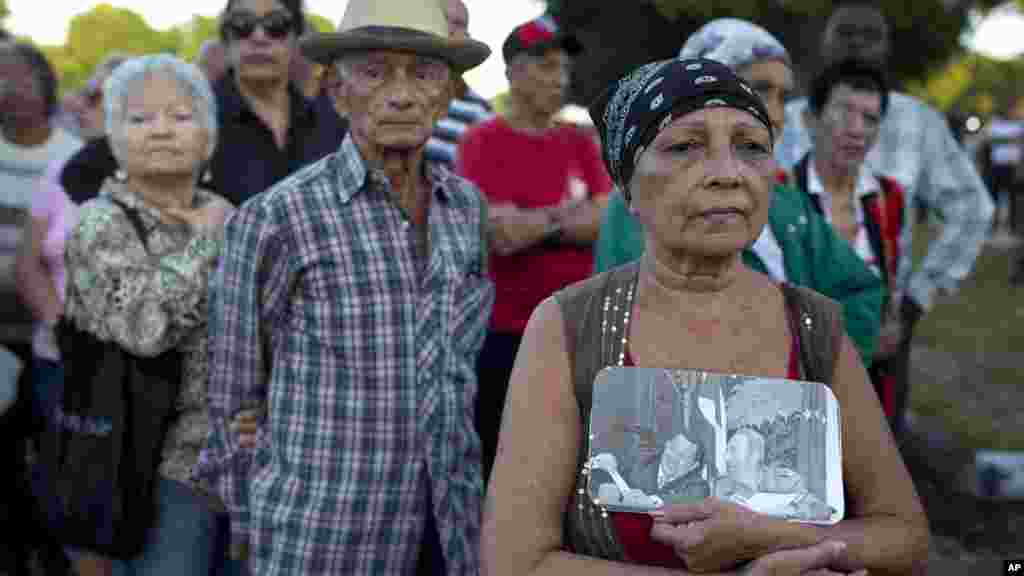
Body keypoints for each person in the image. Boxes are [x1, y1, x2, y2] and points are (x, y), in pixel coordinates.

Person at [481, 57, 929, 575]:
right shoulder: (569, 327)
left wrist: (773, 536)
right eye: (685, 147)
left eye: (751, 147)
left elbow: (904, 535)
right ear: (627, 185)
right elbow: (515, 562)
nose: (727, 173)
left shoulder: (814, 329)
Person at [202, 1, 494, 573]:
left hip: (448, 528)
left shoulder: (466, 210)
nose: (402, 93)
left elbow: (459, 367)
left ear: (449, 93)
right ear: (337, 92)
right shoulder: (277, 218)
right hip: (321, 534)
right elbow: (233, 397)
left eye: (425, 73)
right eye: (375, 72)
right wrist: (254, 525)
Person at [596, 18, 884, 366]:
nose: (775, 114)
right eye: (760, 89)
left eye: (783, 96)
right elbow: (635, 334)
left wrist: (811, 377)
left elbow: (860, 291)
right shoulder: (647, 198)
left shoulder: (784, 203)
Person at [776, 3, 994, 435]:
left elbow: (973, 209)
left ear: (887, 48)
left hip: (883, 332)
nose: (856, 42)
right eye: (845, 32)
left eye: (868, 34)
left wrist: (915, 300)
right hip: (786, 331)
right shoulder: (786, 120)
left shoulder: (919, 124)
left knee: (875, 453)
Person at [63, 54, 234, 576]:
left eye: (181, 117)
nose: (161, 129)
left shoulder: (225, 212)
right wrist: (207, 241)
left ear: (207, 137)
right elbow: (145, 328)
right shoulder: (98, 223)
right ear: (114, 139)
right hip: (141, 466)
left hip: (233, 464)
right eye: (139, 119)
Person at [457, 15, 612, 483]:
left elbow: (604, 220)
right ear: (511, 72)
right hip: (506, 336)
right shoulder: (482, 141)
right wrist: (568, 215)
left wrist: (534, 220)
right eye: (544, 65)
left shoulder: (580, 141)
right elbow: (499, 234)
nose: (558, 78)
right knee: (507, 469)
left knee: (574, 469)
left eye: (562, 67)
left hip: (579, 332)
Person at [0, 42, 82, 576]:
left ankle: (51, 554)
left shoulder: (74, 157)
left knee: (55, 452)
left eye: (17, 78)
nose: (8, 90)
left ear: (45, 86)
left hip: (55, 336)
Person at [792, 59, 910, 419]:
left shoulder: (888, 196)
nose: (857, 130)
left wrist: (891, 321)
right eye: (844, 113)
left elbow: (892, 274)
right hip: (800, 383)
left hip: (870, 381)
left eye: (870, 119)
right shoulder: (783, 194)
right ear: (811, 121)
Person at [208, 0, 343, 206]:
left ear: (296, 36)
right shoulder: (199, 120)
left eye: (276, 25)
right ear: (226, 37)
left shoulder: (332, 121)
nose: (259, 37)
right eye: (242, 24)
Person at [423, 0, 494, 168]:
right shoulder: (399, 96)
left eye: (457, 23)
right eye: (439, 20)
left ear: (467, 36)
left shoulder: (480, 112)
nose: (447, 29)